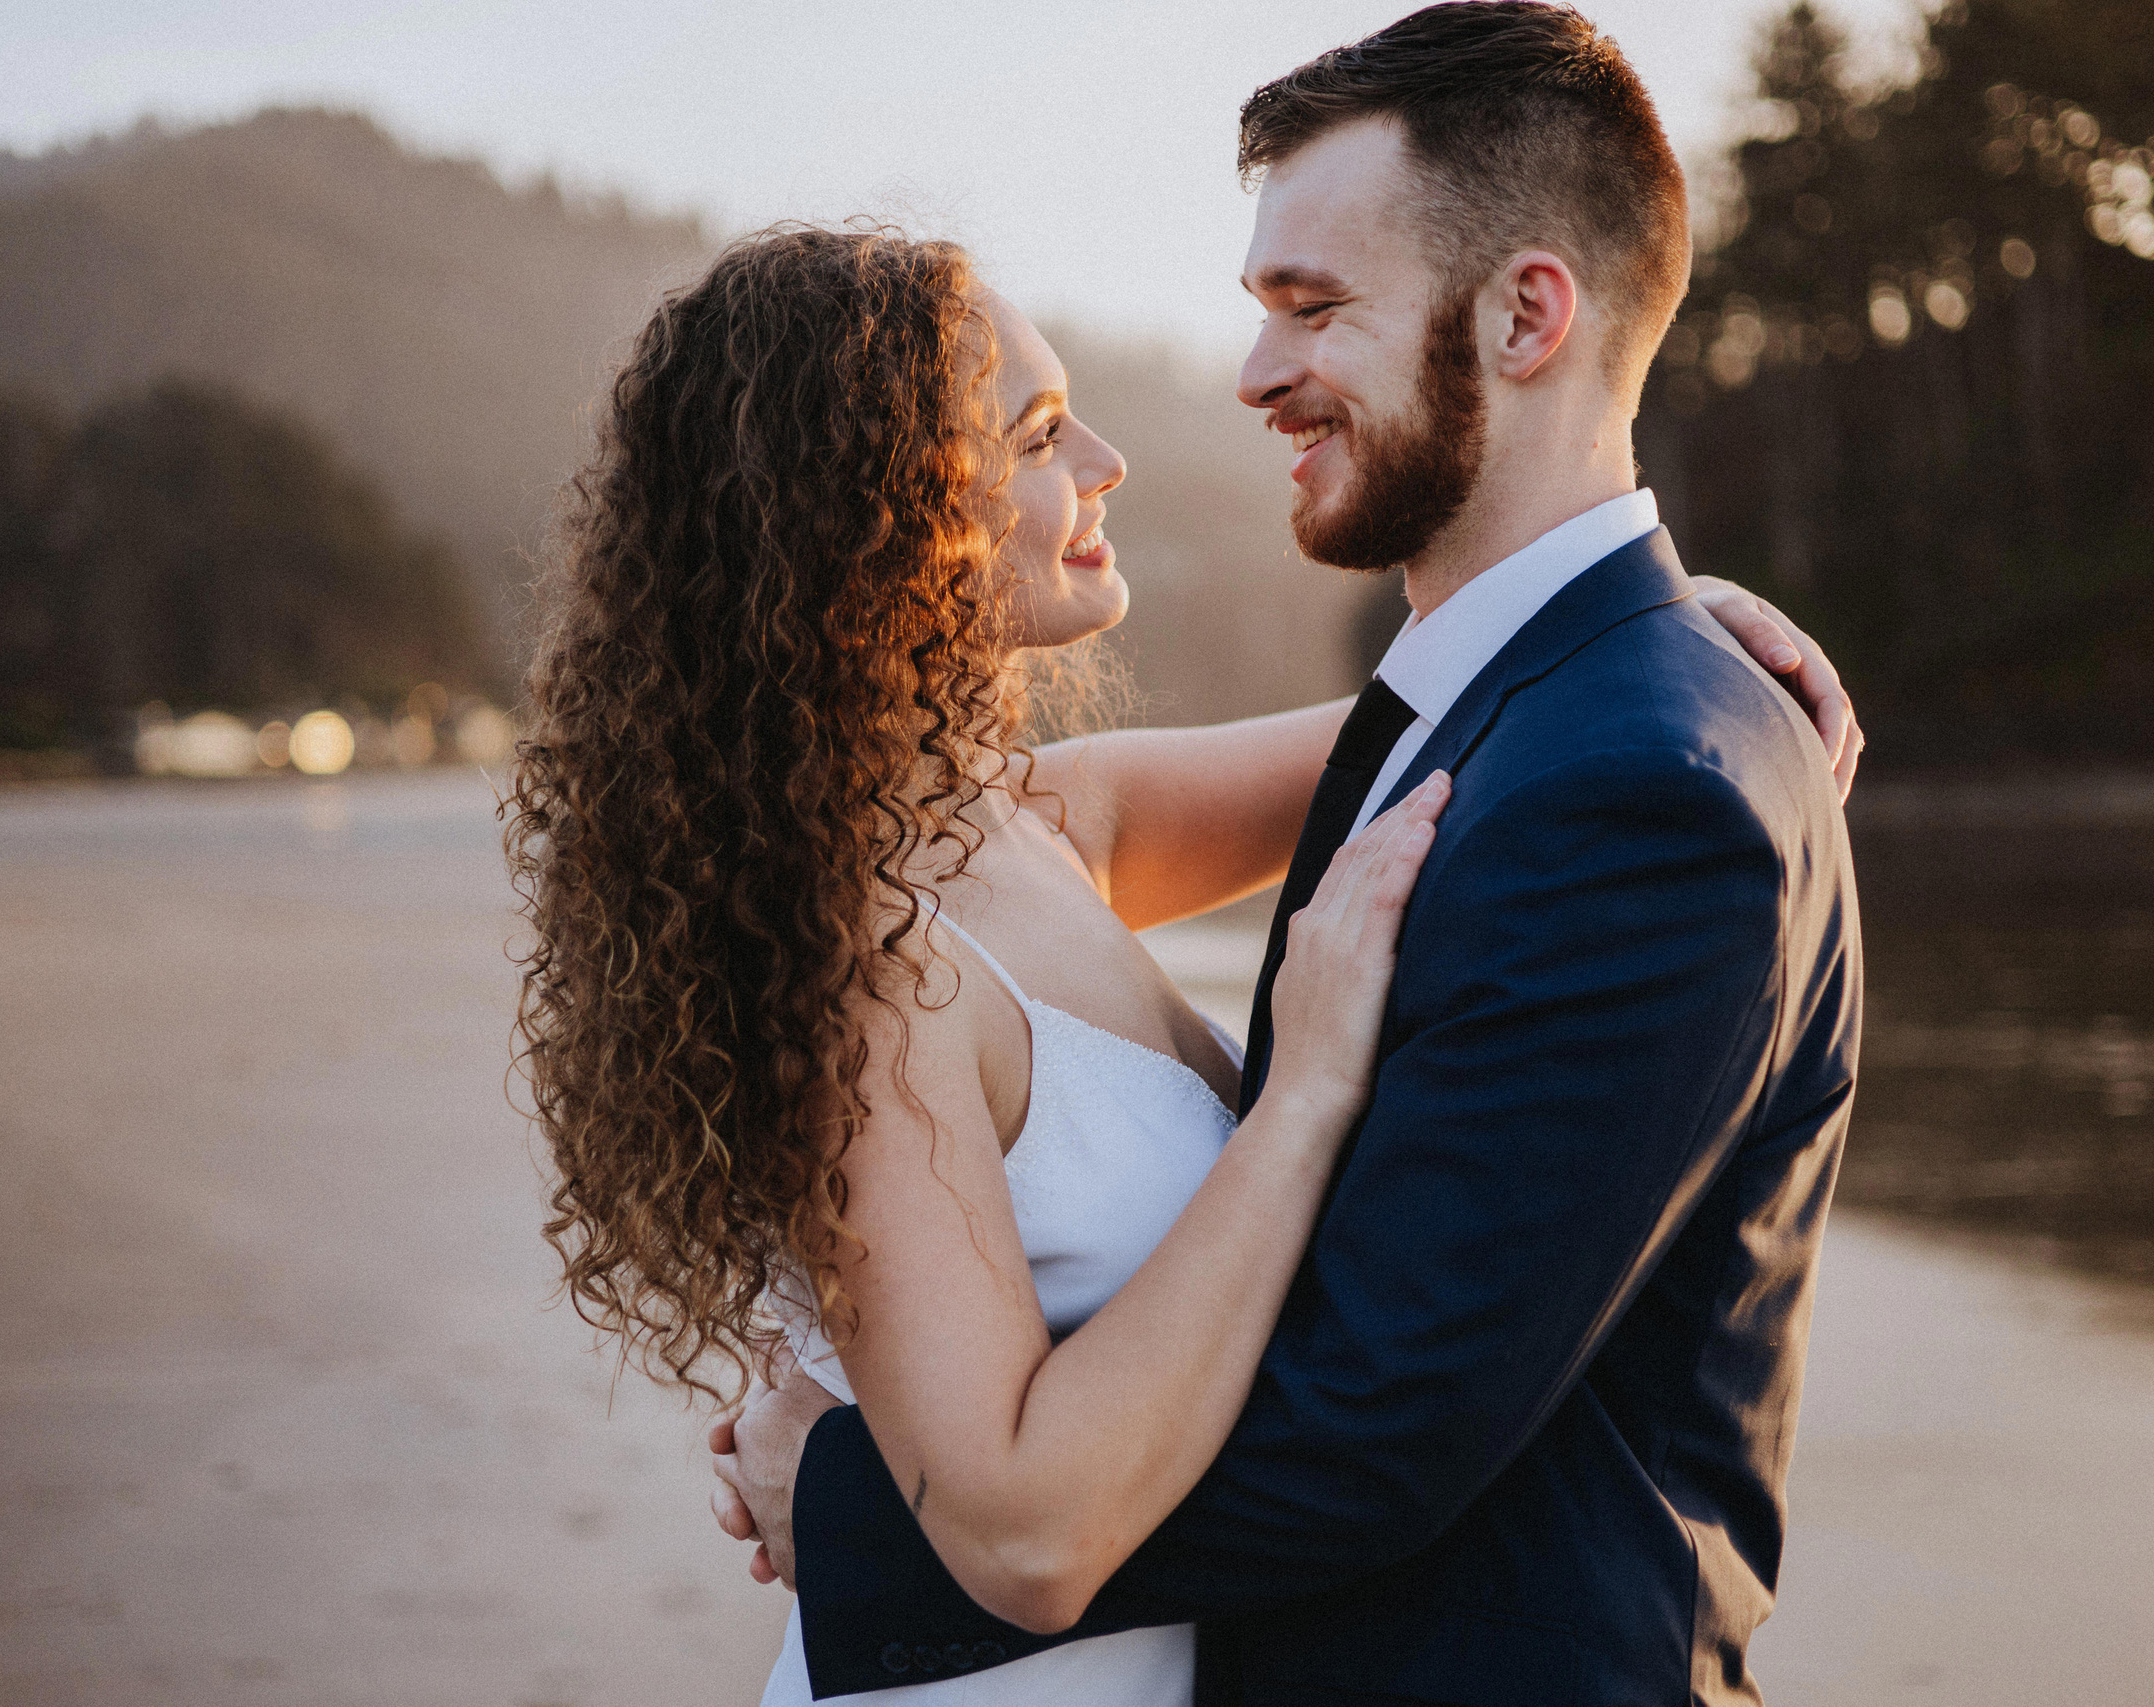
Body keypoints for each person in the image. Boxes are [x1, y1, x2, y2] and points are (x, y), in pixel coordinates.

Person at [704, 5, 1864, 1705]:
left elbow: (1371, 1427)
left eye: (1312, 310)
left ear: (1531, 311)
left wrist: (858, 1505)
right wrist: (1647, 620)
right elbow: (1444, 718)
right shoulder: (1531, 734)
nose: (1249, 377)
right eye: (1036, 436)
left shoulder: (1645, 788)